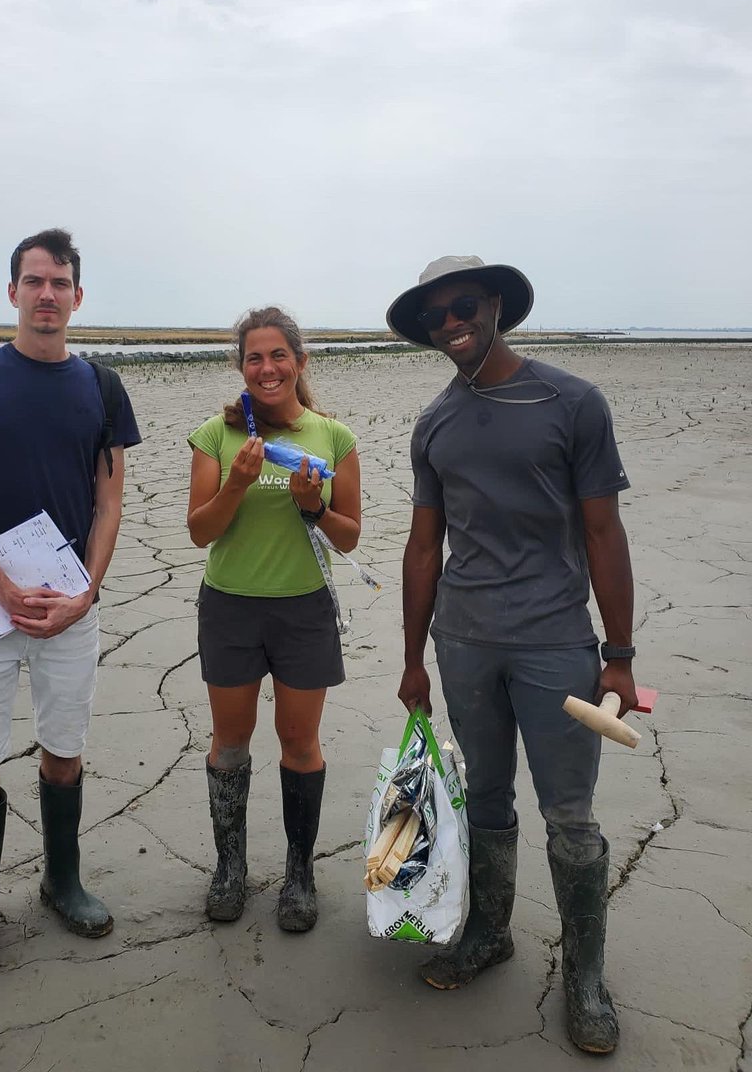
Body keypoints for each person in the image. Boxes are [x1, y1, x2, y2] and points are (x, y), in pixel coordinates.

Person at [386, 256, 636, 1055]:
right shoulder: (435, 423)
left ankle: (586, 978)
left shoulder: (572, 402)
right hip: (463, 643)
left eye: (464, 306)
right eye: (436, 316)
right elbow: (425, 546)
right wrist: (413, 656)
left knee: (571, 815)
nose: (451, 322)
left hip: (557, 642)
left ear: (496, 306)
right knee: (486, 797)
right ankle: (490, 932)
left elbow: (603, 532)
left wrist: (620, 655)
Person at [0, 228, 141, 983]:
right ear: (12, 292)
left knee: (64, 747)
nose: (46, 295)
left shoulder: (103, 388)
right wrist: (3, 589)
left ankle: (63, 881)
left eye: (60, 283)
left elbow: (109, 502)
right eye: (33, 281)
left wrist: (86, 592)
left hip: (68, 611)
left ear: (77, 297)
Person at [186, 306, 361, 932]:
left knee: (299, 742)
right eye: (254, 358)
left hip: (303, 609)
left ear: (299, 362)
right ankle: (230, 869)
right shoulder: (216, 435)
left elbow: (350, 539)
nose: (267, 368)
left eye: (278, 356)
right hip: (230, 606)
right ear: (242, 367)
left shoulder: (332, 438)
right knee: (230, 742)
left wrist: (314, 506)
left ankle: (299, 874)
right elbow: (199, 531)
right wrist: (236, 483)